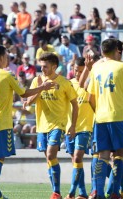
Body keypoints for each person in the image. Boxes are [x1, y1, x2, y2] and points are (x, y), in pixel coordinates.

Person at [0, 45, 55, 199]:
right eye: (6, 56)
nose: (8, 59)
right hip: (1, 124)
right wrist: (42, 87)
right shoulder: (7, 75)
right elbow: (24, 93)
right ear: (1, 57)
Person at [87, 38, 123, 199]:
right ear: (117, 51)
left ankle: (98, 193)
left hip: (101, 119)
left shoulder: (96, 69)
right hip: (120, 117)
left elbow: (90, 98)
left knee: (103, 156)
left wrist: (99, 112)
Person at [26, 53, 78, 199]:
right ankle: (57, 192)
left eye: (45, 67)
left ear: (54, 67)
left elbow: (75, 104)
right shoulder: (37, 80)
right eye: (41, 66)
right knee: (49, 159)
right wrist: (41, 88)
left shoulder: (65, 83)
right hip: (42, 125)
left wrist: (72, 125)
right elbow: (29, 101)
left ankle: (55, 191)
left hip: (58, 124)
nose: (42, 69)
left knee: (50, 154)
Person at [64, 57, 94, 199]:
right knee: (76, 162)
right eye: (76, 70)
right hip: (69, 128)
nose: (78, 74)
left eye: (82, 71)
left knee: (77, 158)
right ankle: (82, 193)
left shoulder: (91, 84)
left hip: (85, 127)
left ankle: (71, 192)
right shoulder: (69, 84)